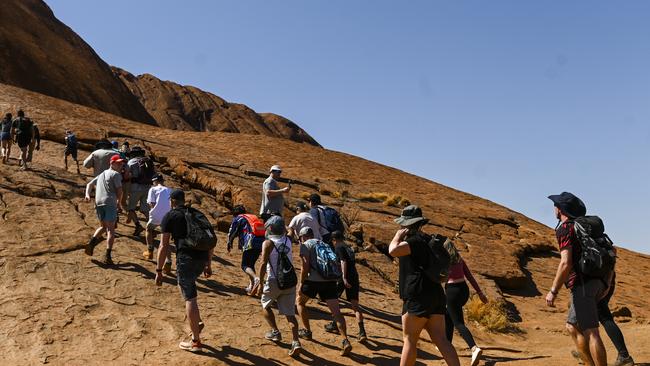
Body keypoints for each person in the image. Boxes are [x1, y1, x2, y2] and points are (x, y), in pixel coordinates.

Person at [388, 205, 460, 366]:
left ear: (407, 224)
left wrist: (397, 236)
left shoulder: (413, 242)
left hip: (417, 296)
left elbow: (392, 251)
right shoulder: (429, 240)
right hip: (436, 294)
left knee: (410, 339)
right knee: (441, 339)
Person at [545, 192, 607, 366]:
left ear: (561, 209)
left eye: (556, 205)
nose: (554, 208)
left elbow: (565, 263)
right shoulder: (586, 226)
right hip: (599, 281)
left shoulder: (565, 229)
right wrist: (606, 284)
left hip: (583, 285)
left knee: (592, 332)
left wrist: (553, 291)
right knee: (572, 325)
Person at [155, 189, 214, 352]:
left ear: (172, 201)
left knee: (190, 298)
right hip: (201, 258)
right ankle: (198, 321)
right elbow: (210, 240)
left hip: (185, 259)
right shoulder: (196, 213)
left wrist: (159, 270)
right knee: (186, 286)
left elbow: (163, 245)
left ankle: (195, 342)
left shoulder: (170, 216)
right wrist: (208, 264)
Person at [296, 226, 353, 356]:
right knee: (336, 313)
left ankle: (306, 331)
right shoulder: (323, 243)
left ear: (302, 236)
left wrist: (301, 284)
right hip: (330, 281)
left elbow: (305, 267)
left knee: (300, 302)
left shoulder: (305, 245)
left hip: (313, 281)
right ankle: (345, 340)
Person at [253, 215, 302, 357]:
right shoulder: (288, 239)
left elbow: (263, 264)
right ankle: (296, 341)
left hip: (274, 280)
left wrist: (260, 283)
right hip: (289, 280)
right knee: (290, 315)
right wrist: (284, 225)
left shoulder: (268, 243)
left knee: (265, 305)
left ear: (270, 228)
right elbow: (290, 230)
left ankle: (275, 332)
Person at [443, 240, 488, 366]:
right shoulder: (460, 260)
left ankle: (474, 348)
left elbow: (442, 278)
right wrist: (480, 293)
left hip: (452, 292)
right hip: (463, 290)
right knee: (448, 314)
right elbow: (470, 277)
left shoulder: (445, 261)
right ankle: (447, 344)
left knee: (458, 322)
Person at [323, 231, 367, 342]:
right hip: (354, 276)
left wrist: (343, 277)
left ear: (334, 239)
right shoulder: (348, 247)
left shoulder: (338, 247)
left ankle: (335, 324)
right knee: (355, 306)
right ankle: (362, 332)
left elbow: (343, 261)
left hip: (344, 278)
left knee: (334, 301)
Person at [84, 155, 125, 265]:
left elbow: (89, 184)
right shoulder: (116, 174)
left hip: (98, 203)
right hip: (110, 202)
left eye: (121, 163)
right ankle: (108, 256)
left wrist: (87, 195)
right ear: (111, 163)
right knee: (111, 229)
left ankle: (92, 243)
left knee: (103, 226)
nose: (121, 165)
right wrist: (119, 203)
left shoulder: (102, 174)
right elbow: (120, 191)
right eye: (118, 163)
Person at [226, 205, 265, 295]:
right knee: (250, 264)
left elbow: (232, 231)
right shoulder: (252, 217)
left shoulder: (238, 218)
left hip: (249, 242)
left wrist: (229, 242)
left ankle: (256, 279)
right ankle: (251, 286)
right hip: (260, 242)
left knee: (244, 265)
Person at [143, 174, 172, 273]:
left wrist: (153, 212)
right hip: (167, 217)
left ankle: (150, 250)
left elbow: (151, 203)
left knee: (148, 229)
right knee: (165, 242)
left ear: (155, 181)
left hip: (156, 215)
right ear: (162, 181)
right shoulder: (169, 190)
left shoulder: (153, 189)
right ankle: (168, 262)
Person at [126, 146, 153, 236]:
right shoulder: (148, 161)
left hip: (135, 188)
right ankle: (151, 228)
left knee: (130, 208)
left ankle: (138, 226)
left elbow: (126, 175)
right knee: (145, 209)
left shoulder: (131, 162)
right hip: (147, 187)